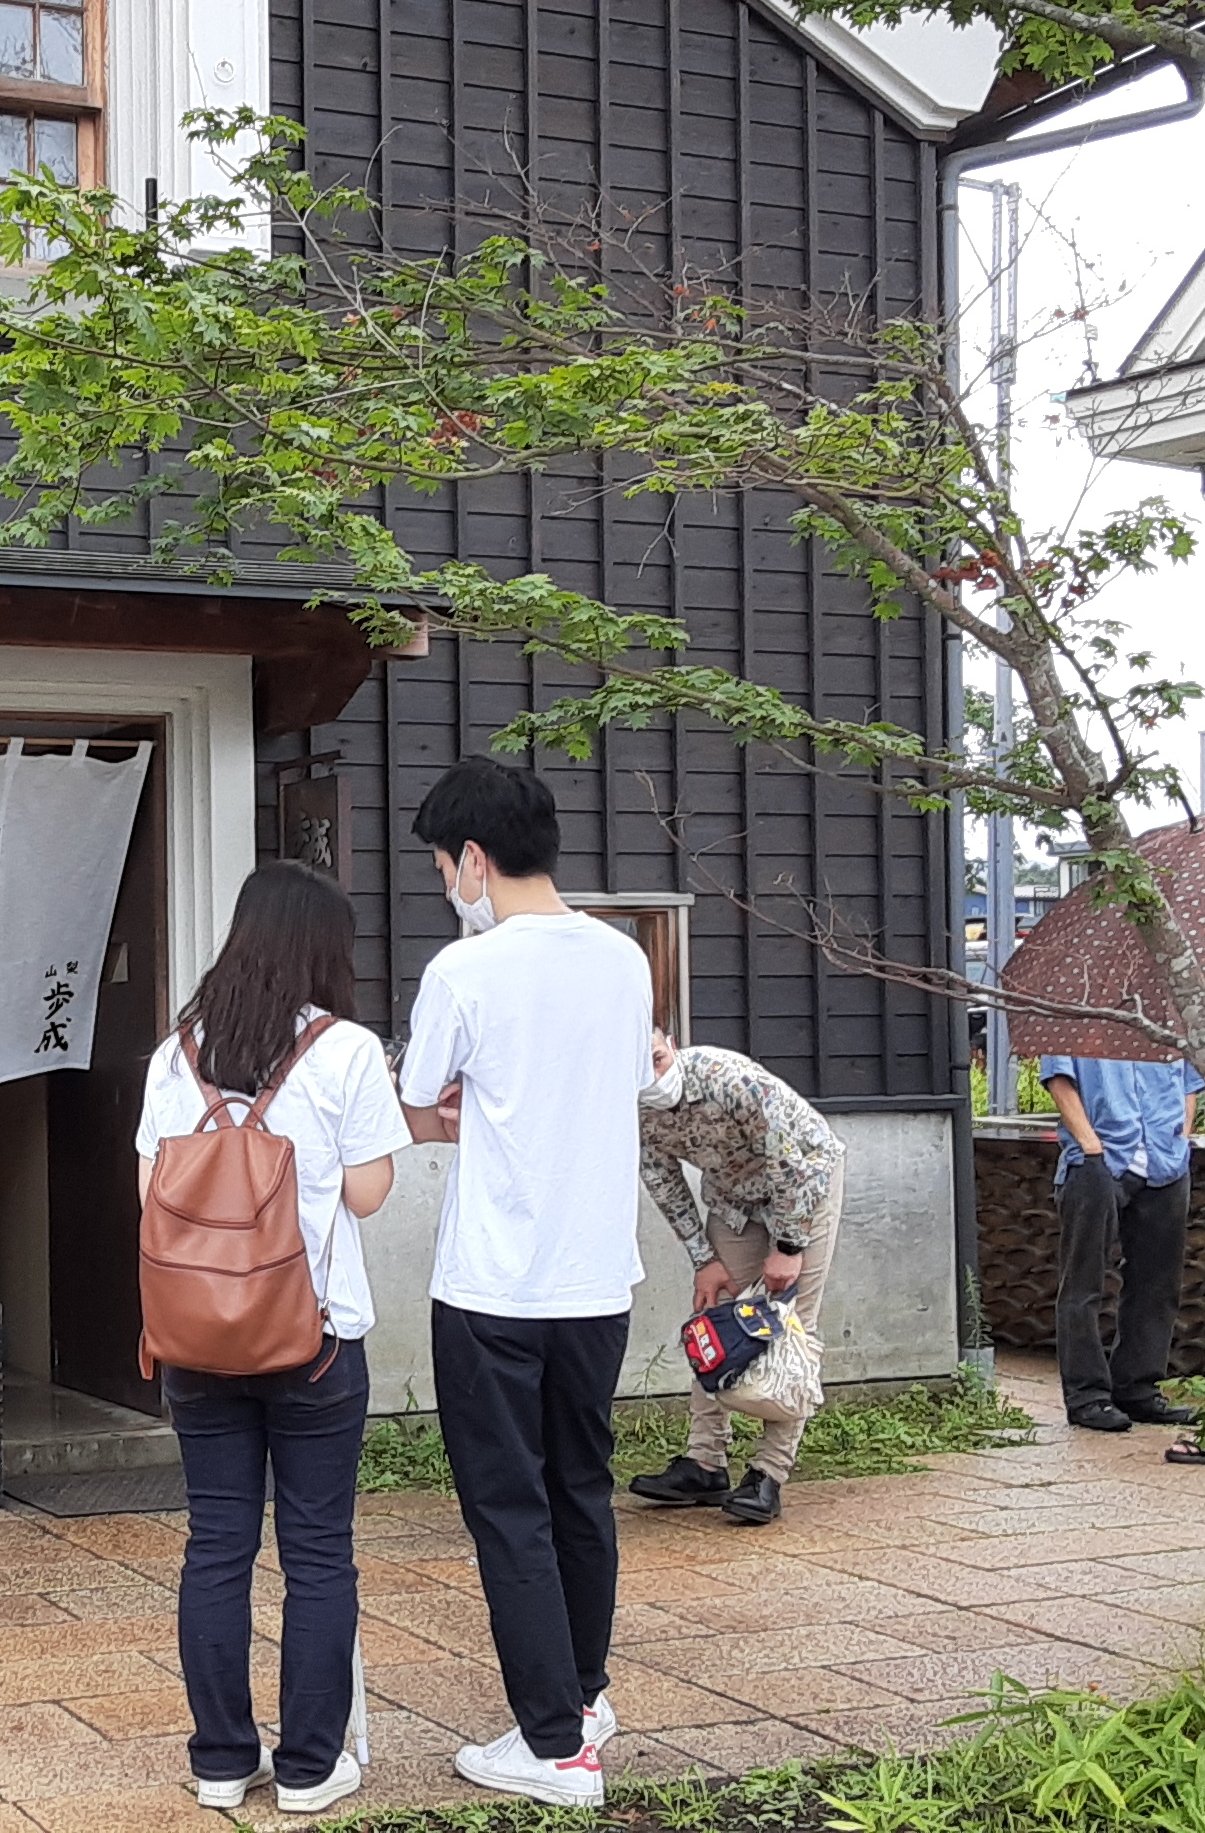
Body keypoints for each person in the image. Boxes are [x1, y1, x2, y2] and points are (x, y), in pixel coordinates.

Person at [396, 758, 648, 1809]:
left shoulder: (466, 971)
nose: (445, 885)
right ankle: (582, 1701)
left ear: (474, 860)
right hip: (597, 1280)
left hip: (495, 1285)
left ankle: (554, 1748)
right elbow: (632, 1082)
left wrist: (463, 1107)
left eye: (442, 867)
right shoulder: (625, 958)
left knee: (508, 1510)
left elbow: (418, 1097)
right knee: (580, 1491)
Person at [135, 864, 410, 1820]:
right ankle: (307, 1768)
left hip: (196, 1342)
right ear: (324, 951)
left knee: (216, 1545)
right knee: (318, 1553)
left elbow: (148, 1197)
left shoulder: (175, 1055)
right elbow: (369, 1195)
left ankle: (220, 1761)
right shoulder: (348, 1051)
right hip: (314, 1337)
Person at [624, 1031, 843, 1527]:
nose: (653, 1076)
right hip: (732, 1199)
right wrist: (704, 1259)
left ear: (671, 1044)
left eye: (657, 1059)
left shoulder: (728, 1079)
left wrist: (789, 1246)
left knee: (792, 1328)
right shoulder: (631, 1108)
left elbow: (788, 1158)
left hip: (807, 1181)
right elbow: (660, 1178)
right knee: (713, 1320)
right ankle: (705, 1461)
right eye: (638, 1068)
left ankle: (769, 1474)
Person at [1038, 1052, 1205, 1433]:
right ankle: (1086, 1396)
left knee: (1158, 1284)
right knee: (1083, 1283)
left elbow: (1189, 1083)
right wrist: (1090, 1146)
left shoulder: (1166, 1021)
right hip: (1099, 1162)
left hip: (1166, 1165)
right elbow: (1058, 1079)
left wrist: (1180, 1138)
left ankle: (1139, 1388)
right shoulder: (1077, 1020)